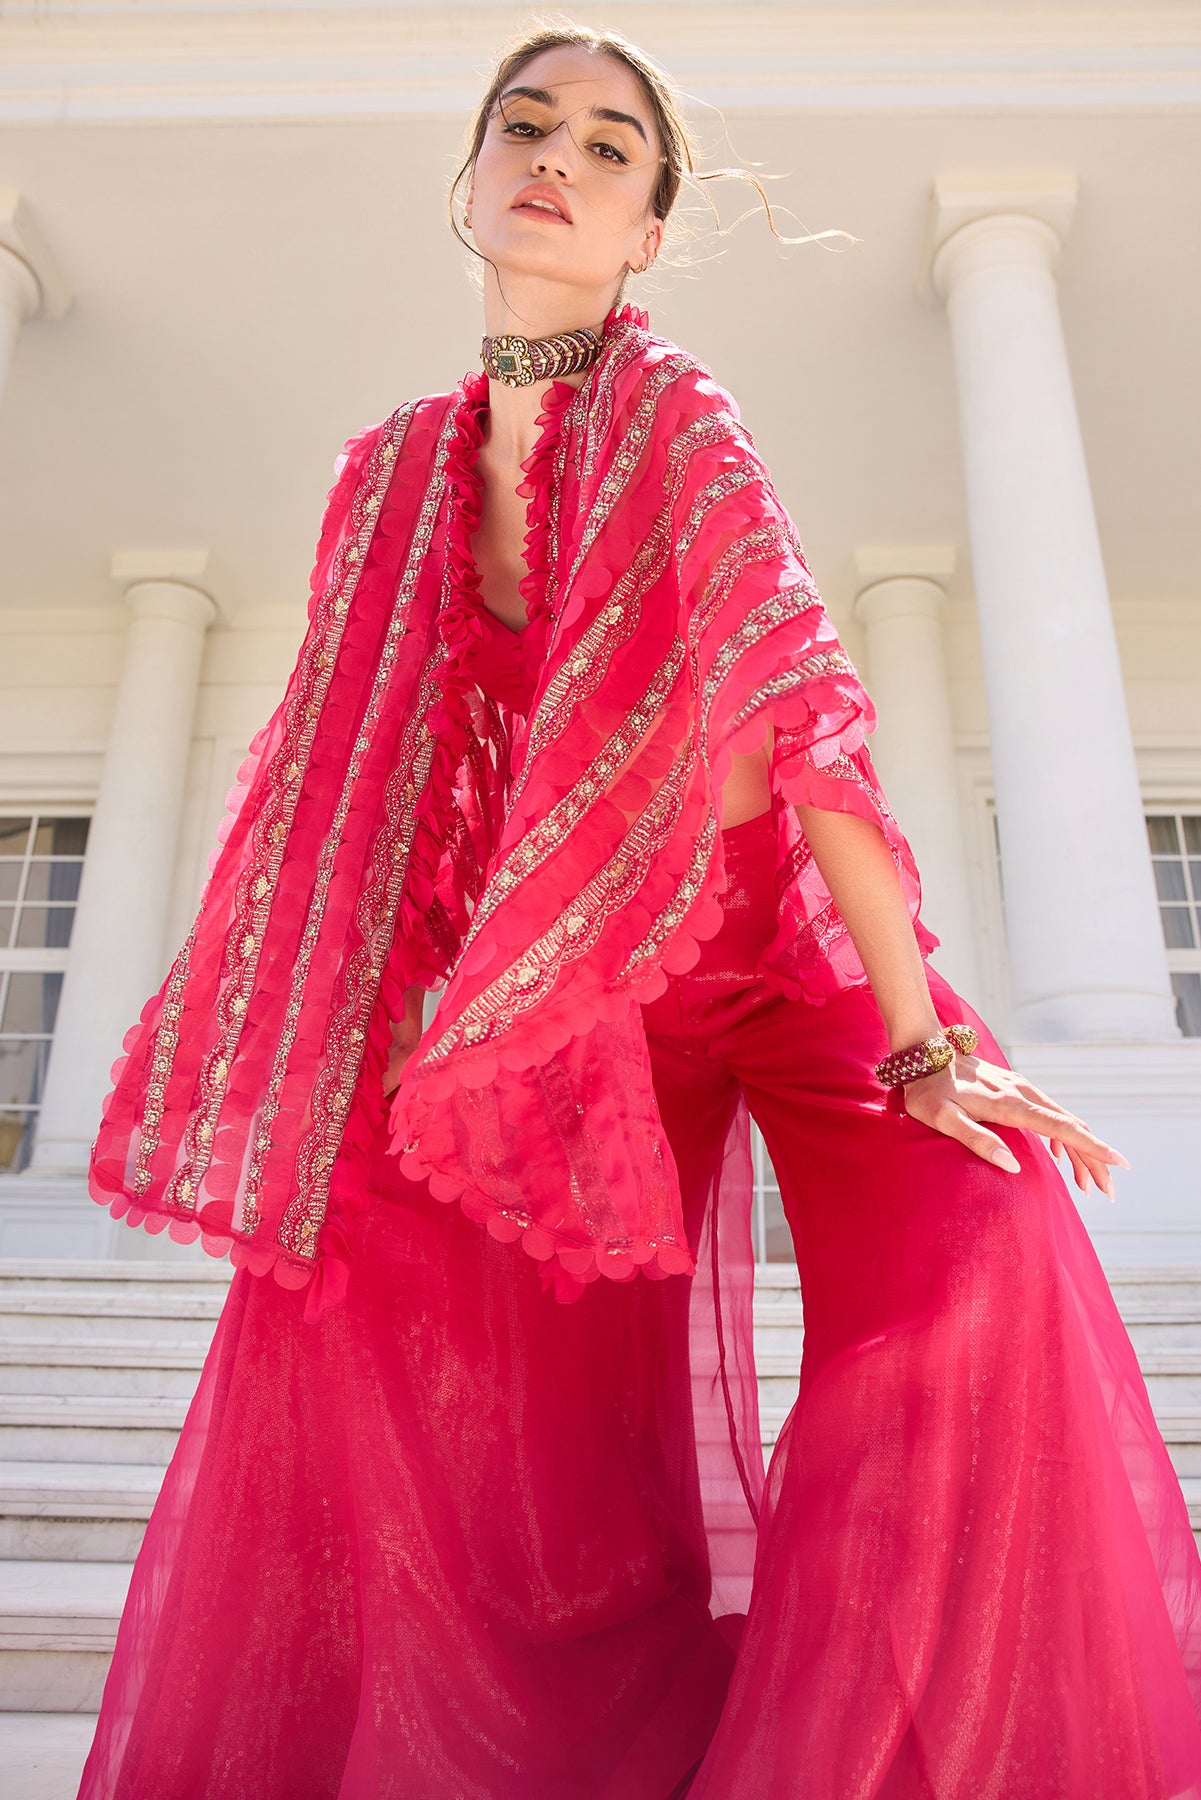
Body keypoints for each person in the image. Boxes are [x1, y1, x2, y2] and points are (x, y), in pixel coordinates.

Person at [78, 21, 1201, 1800]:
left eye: (609, 148)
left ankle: (863, 1757)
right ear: (467, 179)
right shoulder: (393, 474)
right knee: (368, 1284)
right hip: (570, 997)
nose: (558, 159)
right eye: (525, 126)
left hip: (776, 958)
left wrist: (924, 1043)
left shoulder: (673, 411)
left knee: (984, 1238)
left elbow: (806, 727)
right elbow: (362, 784)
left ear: (648, 230)